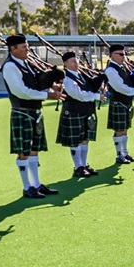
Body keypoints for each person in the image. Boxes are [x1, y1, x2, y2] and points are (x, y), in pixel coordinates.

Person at [1, 33, 62, 199]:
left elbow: (38, 84)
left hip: (34, 112)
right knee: (24, 151)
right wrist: (47, 96)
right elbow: (20, 91)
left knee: (34, 150)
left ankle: (36, 184)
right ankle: (27, 186)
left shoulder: (27, 64)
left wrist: (52, 88)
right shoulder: (10, 66)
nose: (28, 49)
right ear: (13, 49)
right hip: (22, 112)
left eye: (27, 46)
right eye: (24, 47)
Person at [57, 50, 102, 178]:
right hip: (74, 110)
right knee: (76, 140)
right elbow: (78, 95)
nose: (76, 63)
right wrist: (96, 96)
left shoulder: (81, 74)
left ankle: (83, 164)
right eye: (72, 61)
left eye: (76, 60)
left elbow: (89, 87)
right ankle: (78, 167)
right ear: (65, 63)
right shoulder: (67, 77)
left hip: (86, 110)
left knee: (85, 139)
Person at [103, 44, 134, 164]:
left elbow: (129, 81)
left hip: (126, 102)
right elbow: (120, 87)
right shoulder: (111, 70)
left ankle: (125, 153)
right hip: (118, 101)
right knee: (119, 129)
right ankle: (119, 155)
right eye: (120, 54)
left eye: (124, 54)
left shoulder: (123, 67)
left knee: (125, 129)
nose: (123, 56)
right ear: (111, 56)